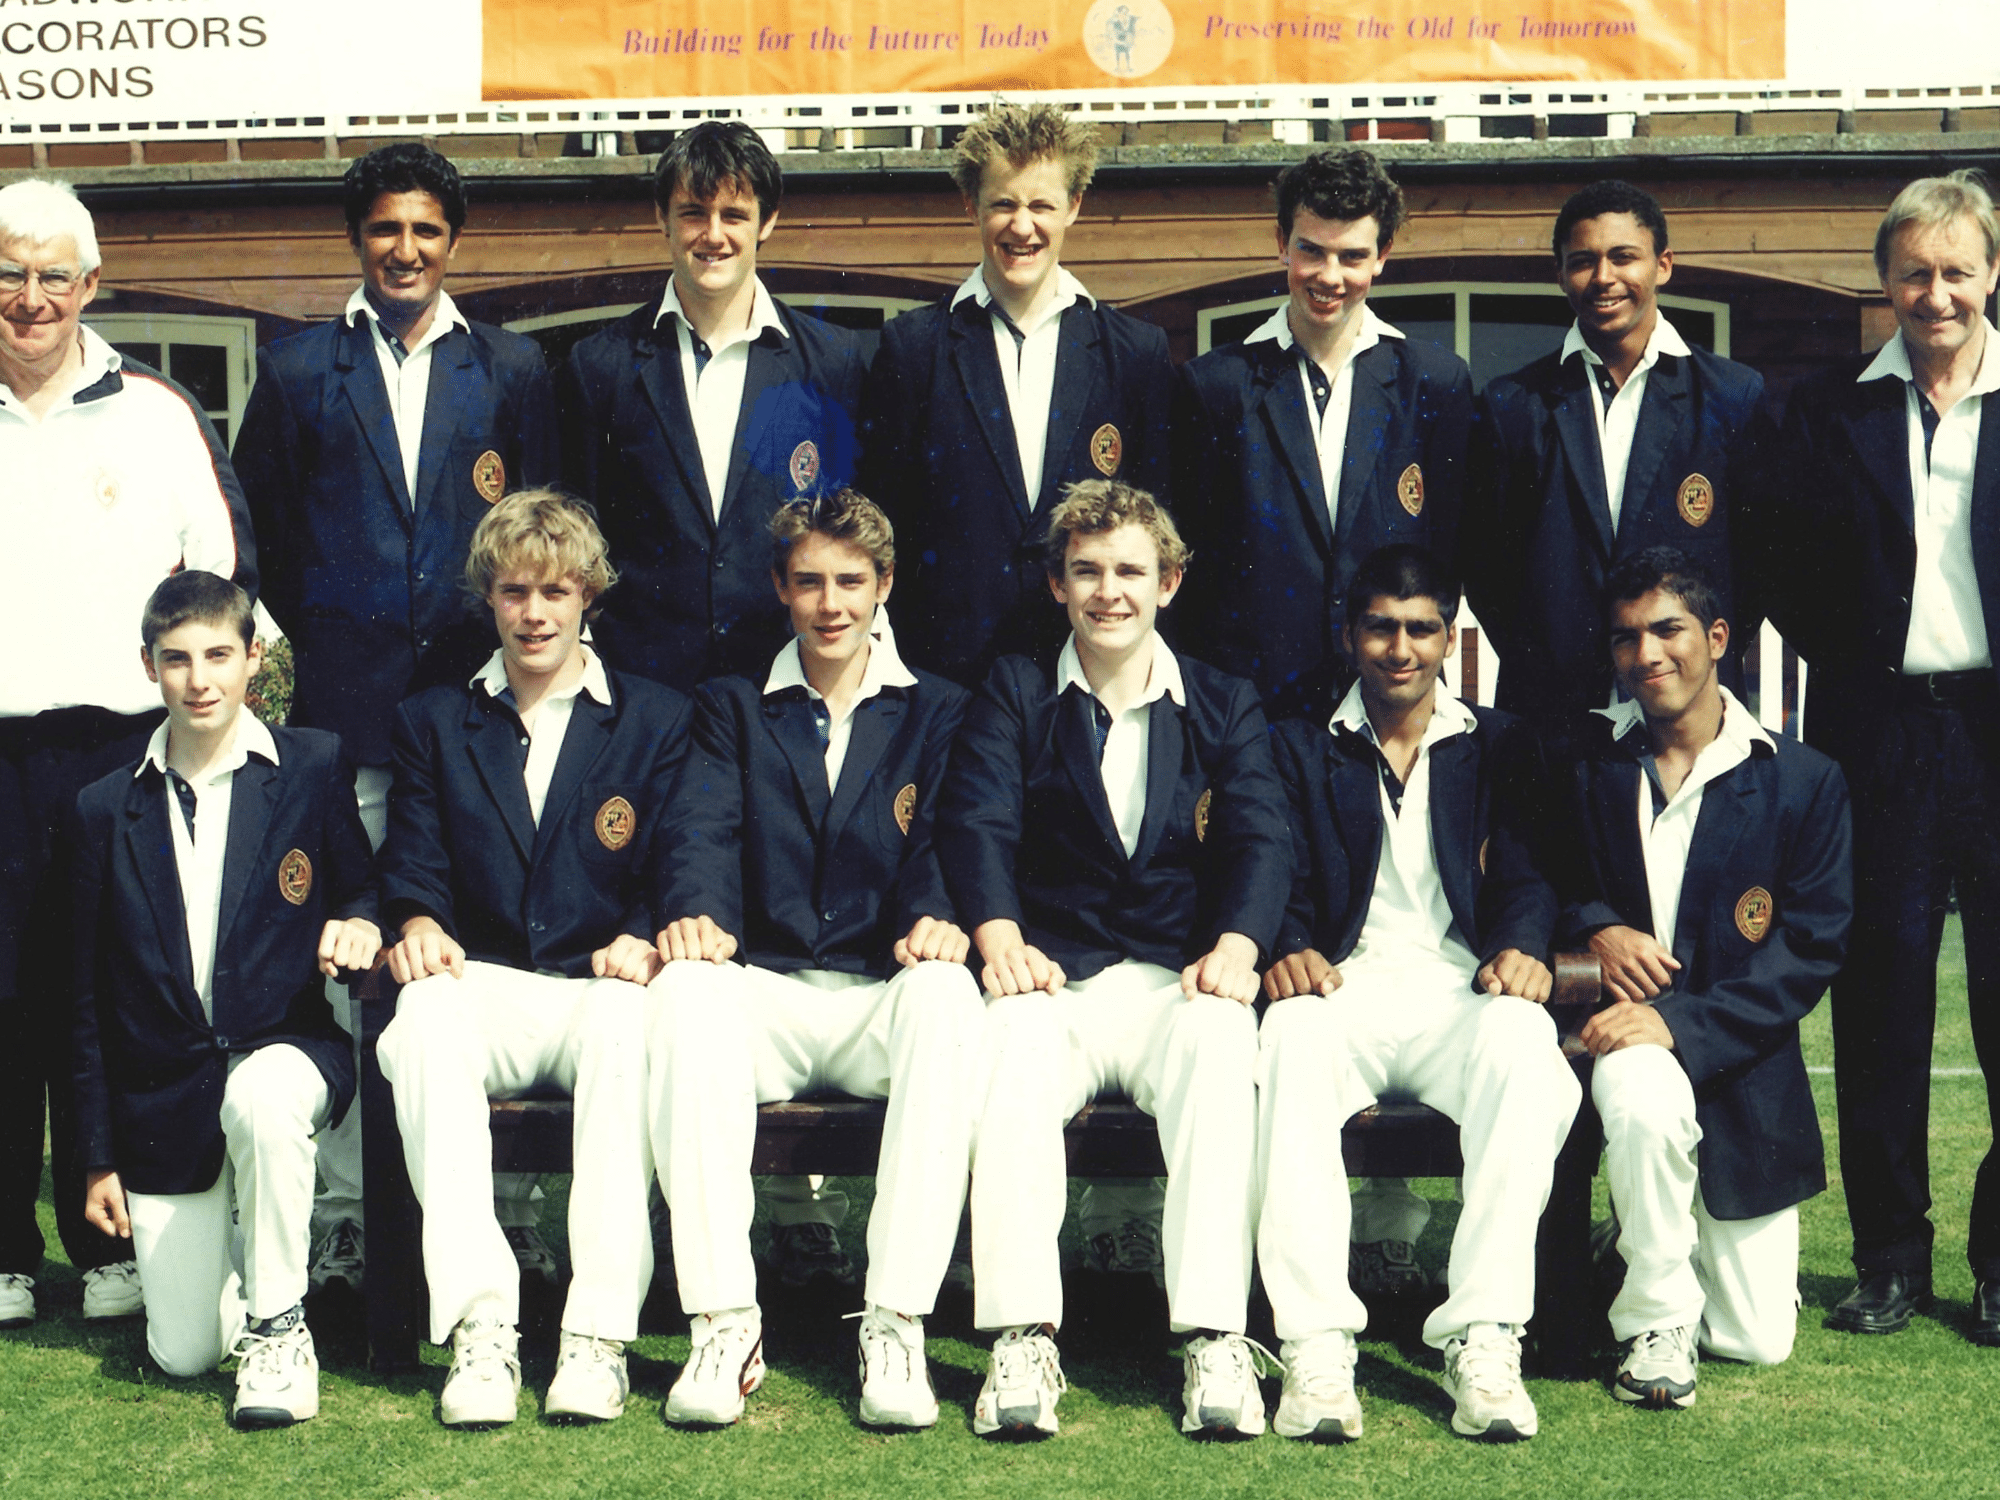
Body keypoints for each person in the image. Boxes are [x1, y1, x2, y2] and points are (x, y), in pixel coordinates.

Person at [232, 141, 561, 1294]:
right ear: (356, 239)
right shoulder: (296, 370)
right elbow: (254, 534)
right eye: (384, 229)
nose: (405, 250)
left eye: (425, 230)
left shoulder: (513, 371)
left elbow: (539, 537)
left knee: (475, 961)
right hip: (350, 723)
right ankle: (342, 1214)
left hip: (478, 723)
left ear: (452, 240)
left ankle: (505, 1210)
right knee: (346, 964)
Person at [936, 480, 1291, 1439]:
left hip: (1179, 980)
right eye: (1087, 571)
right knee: (1007, 1049)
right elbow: (974, 818)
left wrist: (1239, 945)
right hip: (1055, 977)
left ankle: (1214, 1336)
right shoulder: (1015, 691)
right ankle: (1021, 1334)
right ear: (1056, 584)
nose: (1109, 592)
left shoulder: (1222, 700)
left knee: (1223, 1048)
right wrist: (999, 933)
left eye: (1130, 570)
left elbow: (1262, 836)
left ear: (1169, 583)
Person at [650, 490, 983, 1430]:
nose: (830, 604)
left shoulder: (941, 708)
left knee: (947, 1000)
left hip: (881, 992)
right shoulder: (727, 704)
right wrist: (700, 919)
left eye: (850, 582)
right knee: (683, 995)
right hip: (772, 994)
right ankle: (724, 1321)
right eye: (809, 583)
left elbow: (951, 839)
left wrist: (936, 919)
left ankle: (896, 1321)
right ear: (779, 588)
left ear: (884, 585)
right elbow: (699, 828)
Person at [373, 491, 692, 1426]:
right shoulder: (434, 719)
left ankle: (596, 1335)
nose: (536, 613)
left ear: (588, 593)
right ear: (489, 599)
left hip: (602, 983)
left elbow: (676, 856)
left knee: (631, 1026)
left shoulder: (654, 717)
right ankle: (482, 1331)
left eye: (556, 591)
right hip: (492, 985)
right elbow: (414, 858)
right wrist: (420, 918)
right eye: (515, 592)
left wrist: (644, 929)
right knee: (422, 1016)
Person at [0, 177, 254, 1326]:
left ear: (93, 284)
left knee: (104, 994)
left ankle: (106, 1242)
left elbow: (224, 577)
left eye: (55, 273)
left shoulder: (157, 412)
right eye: (9, 270)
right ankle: (6, 1250)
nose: (31, 296)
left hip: (118, 749)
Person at [1257, 543, 1578, 1443]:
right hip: (1342, 988)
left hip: (1454, 992)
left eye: (1421, 629)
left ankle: (1484, 1335)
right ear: (1351, 632)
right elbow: (1268, 864)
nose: (1401, 648)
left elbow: (1527, 872)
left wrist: (1520, 947)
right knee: (1286, 1041)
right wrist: (1287, 948)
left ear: (1449, 635)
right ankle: (1317, 1346)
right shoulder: (1295, 742)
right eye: (1381, 627)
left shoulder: (1500, 742)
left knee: (1525, 1047)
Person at [1775, 170, 2000, 1342]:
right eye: (1913, 272)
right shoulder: (1829, 414)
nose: (1934, 294)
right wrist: (1866, 659)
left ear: (1989, 276)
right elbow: (1785, 572)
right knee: (1880, 999)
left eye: (1955, 271)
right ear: (1882, 281)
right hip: (1878, 732)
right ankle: (1887, 1261)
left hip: (1996, 732)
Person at [72, 570, 380, 1426]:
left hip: (286, 1054)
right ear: (148, 666)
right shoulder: (104, 809)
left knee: (261, 1094)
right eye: (176, 660)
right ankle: (242, 1264)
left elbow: (361, 889)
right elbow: (86, 1003)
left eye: (217, 655)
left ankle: (281, 1330)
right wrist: (99, 1157)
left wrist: (357, 922)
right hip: (166, 1094)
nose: (198, 680)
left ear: (254, 658)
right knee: (183, 1353)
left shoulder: (311, 766)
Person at [1551, 546, 1849, 1405]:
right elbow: (1543, 882)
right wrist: (1597, 926)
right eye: (1625, 638)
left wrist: (1680, 1023)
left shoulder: (1802, 780)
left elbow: (1811, 948)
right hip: (1620, 1043)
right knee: (1641, 1087)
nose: (1647, 655)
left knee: (1756, 1341)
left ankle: (1641, 1241)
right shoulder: (1587, 764)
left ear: (1717, 637)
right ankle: (1656, 1320)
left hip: (1741, 1067)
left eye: (1667, 630)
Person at [859, 101, 1174, 687]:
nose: (1022, 226)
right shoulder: (913, 349)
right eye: (1003, 202)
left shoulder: (1135, 354)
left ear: (1074, 206)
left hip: (1090, 676)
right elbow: (883, 523)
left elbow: (1160, 531)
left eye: (1041, 205)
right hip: (949, 675)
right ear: (971, 205)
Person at [562, 120, 866, 694]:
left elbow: (850, 529)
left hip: (783, 682)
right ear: (662, 219)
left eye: (734, 215)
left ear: (767, 222)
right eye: (693, 213)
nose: (713, 235)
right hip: (644, 689)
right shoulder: (600, 365)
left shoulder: (832, 362)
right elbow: (579, 533)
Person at [1174, 150, 1474, 720]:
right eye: (1311, 250)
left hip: (1386, 704)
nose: (1329, 276)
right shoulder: (1215, 385)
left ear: (1382, 256)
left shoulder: (1434, 383)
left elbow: (1450, 554)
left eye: (1352, 256)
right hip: (1250, 706)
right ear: (1282, 241)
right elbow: (1194, 566)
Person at [1467, 179, 1775, 723]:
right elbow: (1489, 573)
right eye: (1583, 261)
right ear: (1560, 274)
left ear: (1663, 265)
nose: (1604, 278)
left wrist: (1687, 652)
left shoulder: (1732, 395)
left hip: (1687, 707)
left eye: (1623, 257)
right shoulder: (1515, 403)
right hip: (1553, 709)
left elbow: (1758, 565)